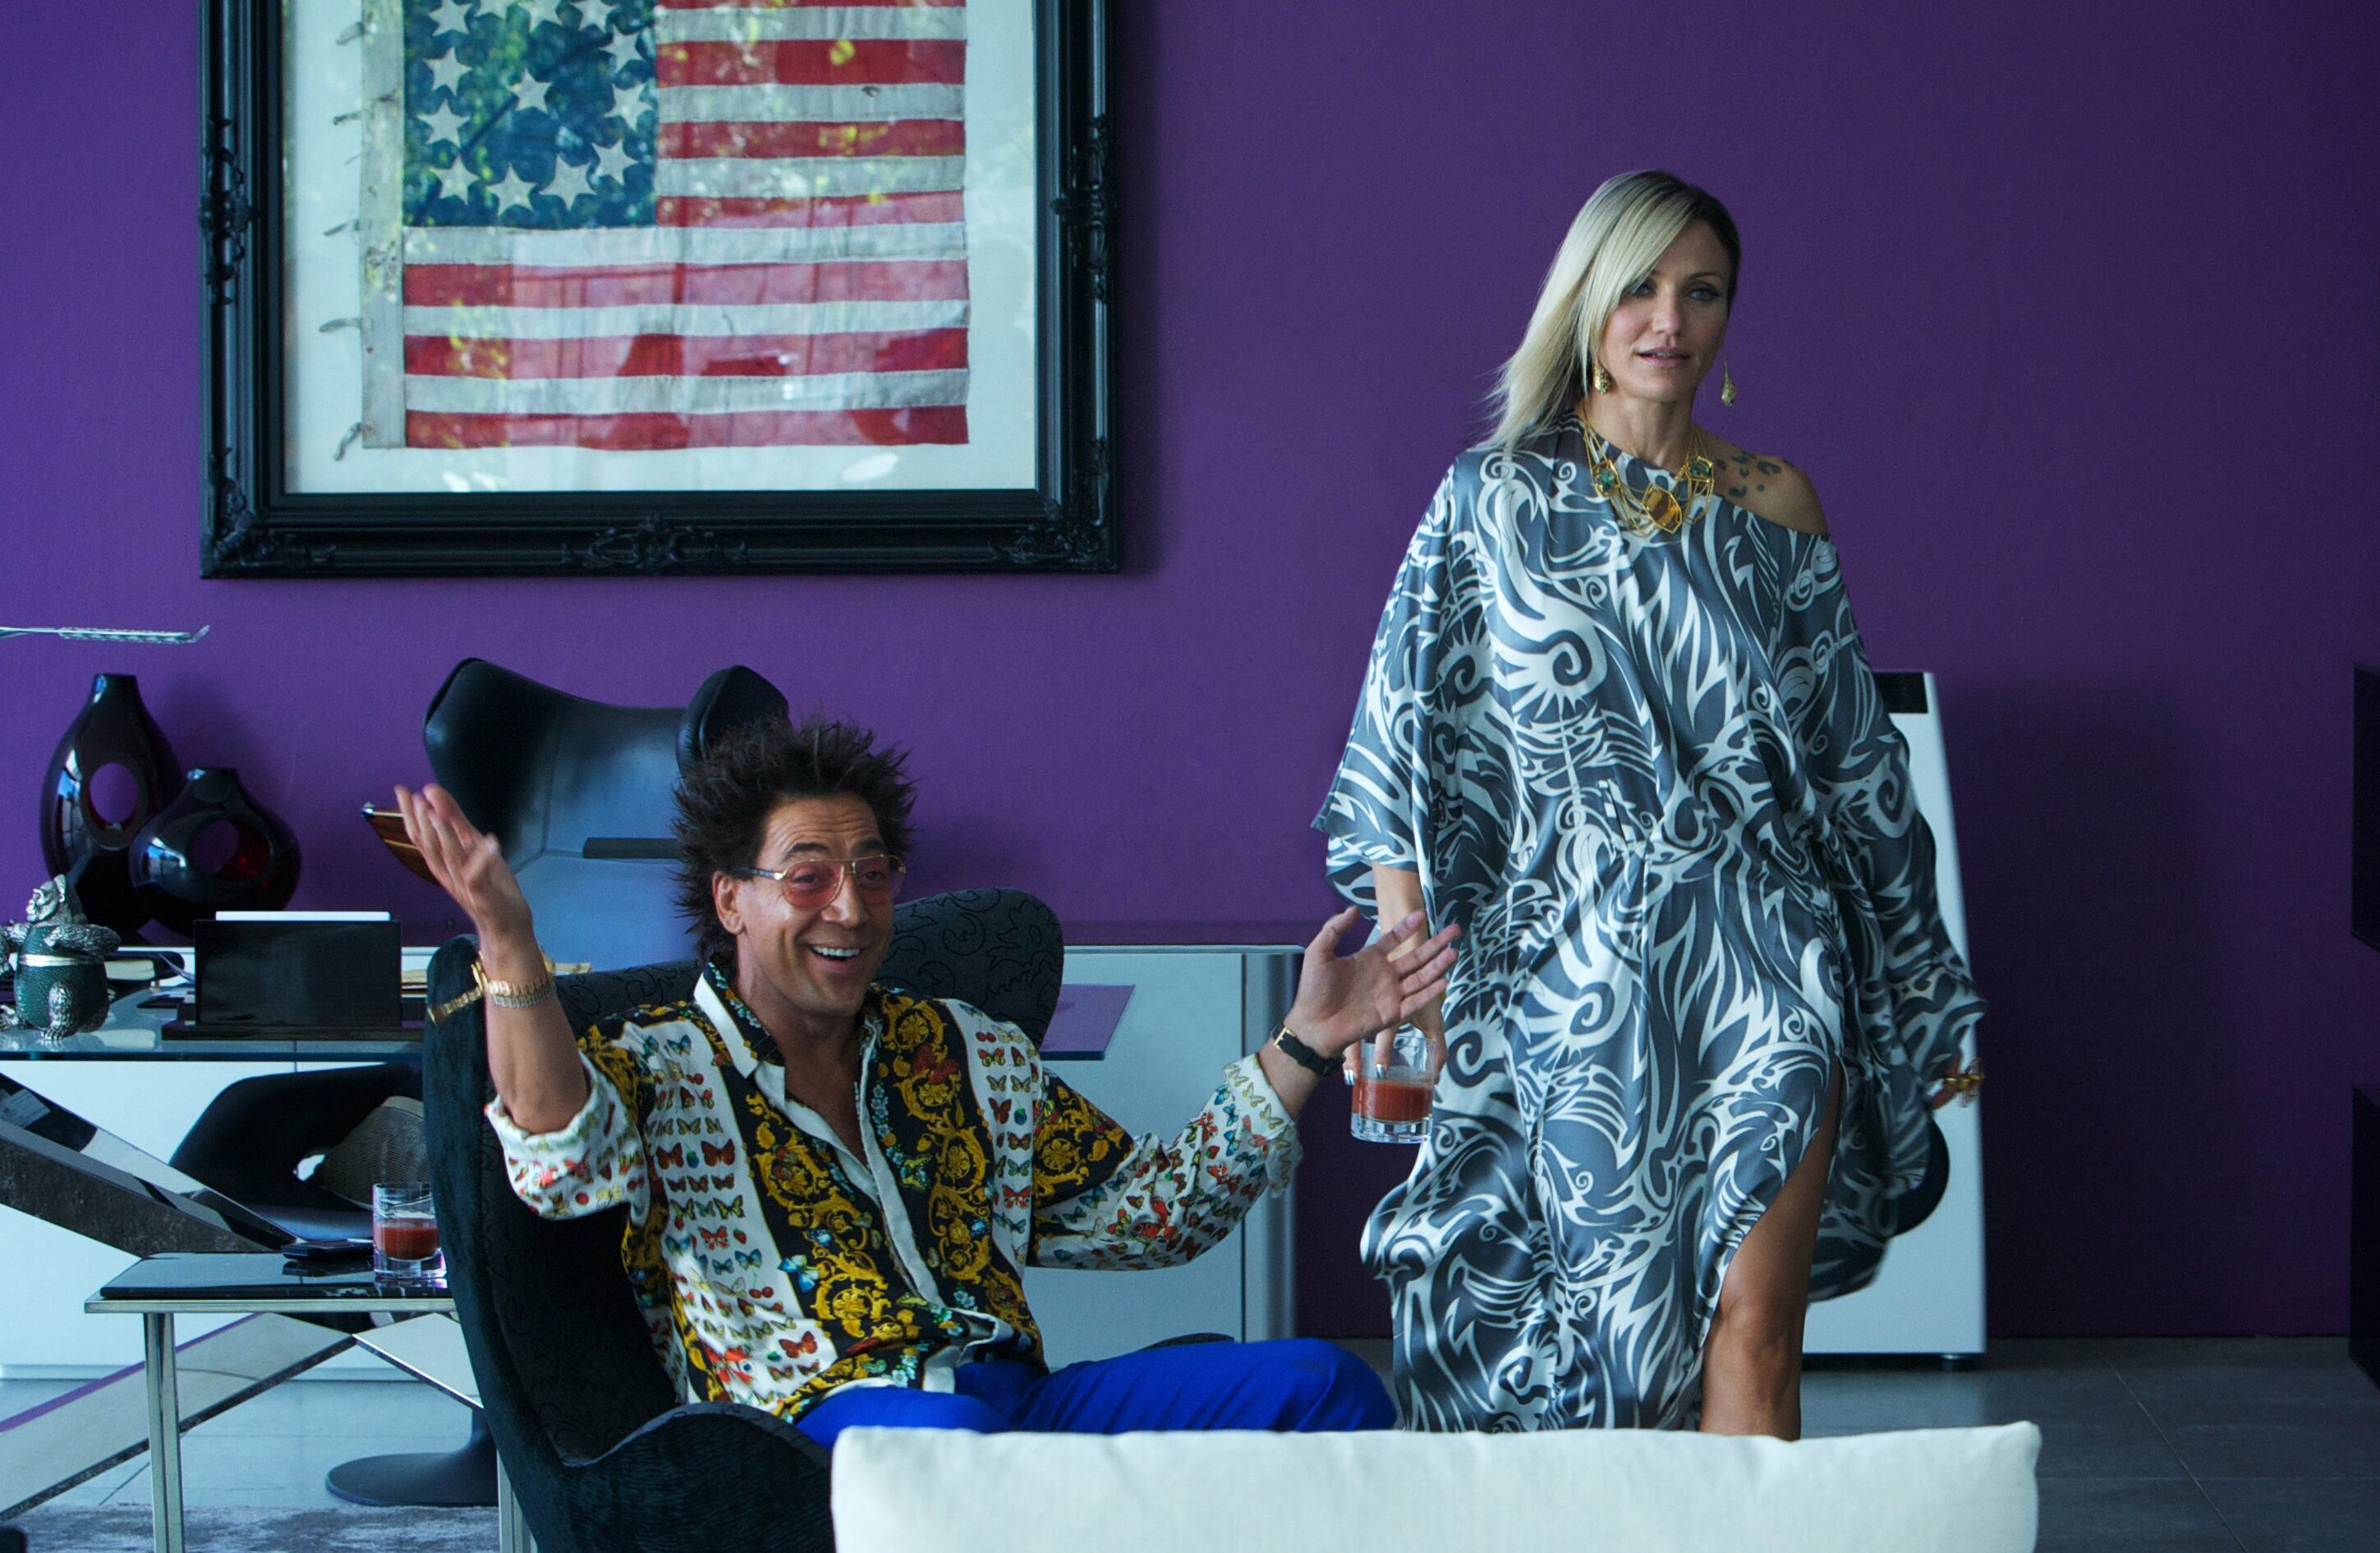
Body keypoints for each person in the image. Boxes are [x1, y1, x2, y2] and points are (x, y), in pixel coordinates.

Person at [1316, 169, 1985, 1436]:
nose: (1668, 320)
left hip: (1768, 956)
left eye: (1702, 291)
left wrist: (1925, 981)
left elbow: (1856, 769)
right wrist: (1407, 980)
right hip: (1567, 975)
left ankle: (1751, 1529)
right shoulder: (1491, 497)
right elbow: (1396, 749)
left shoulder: (1777, 501)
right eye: (1637, 286)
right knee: (1605, 1355)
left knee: (1755, 1331)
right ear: (1584, 299)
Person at [396, 713, 1456, 1447]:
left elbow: (1151, 1212)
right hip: (808, 1424)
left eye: (872, 873)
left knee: (1322, 1386)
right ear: (730, 901)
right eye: (808, 877)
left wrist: (1309, 1038)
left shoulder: (962, 1050)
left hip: (1012, 1399)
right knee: (956, 1443)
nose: (849, 908)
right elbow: (559, 1159)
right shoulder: (662, 1062)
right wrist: (510, 944)